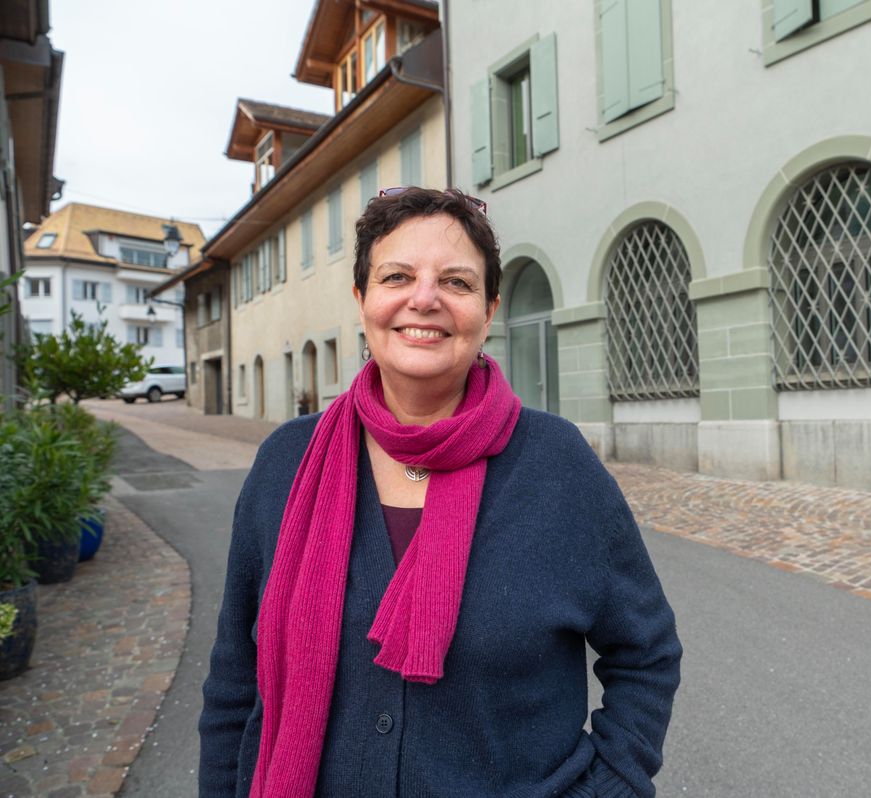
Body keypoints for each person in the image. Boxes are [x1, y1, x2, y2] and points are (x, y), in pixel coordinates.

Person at [198, 187, 682, 798]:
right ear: (362, 299)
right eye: (397, 275)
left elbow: (646, 654)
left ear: (489, 309)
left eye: (455, 282)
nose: (423, 299)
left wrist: (609, 786)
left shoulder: (558, 466)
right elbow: (235, 682)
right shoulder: (285, 465)